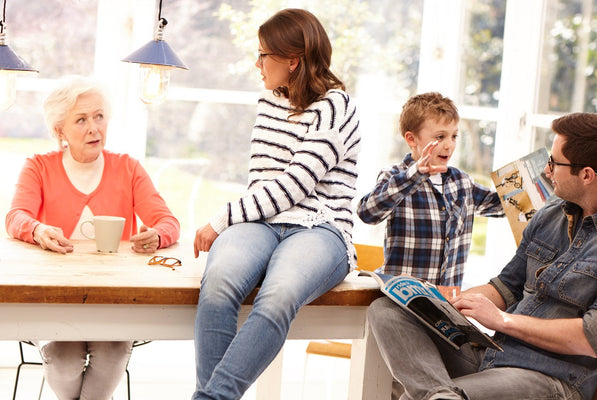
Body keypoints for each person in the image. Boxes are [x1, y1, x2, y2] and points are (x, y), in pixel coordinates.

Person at [367, 112, 597, 400]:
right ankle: (442, 395)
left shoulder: (462, 184)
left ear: (586, 174)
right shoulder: (549, 216)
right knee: (386, 311)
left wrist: (502, 321)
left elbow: (592, 337)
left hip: (549, 377)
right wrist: (446, 302)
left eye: (554, 163)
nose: (547, 171)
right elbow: (506, 287)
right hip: (494, 354)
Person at [191, 8, 360, 400]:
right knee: (216, 286)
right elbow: (263, 183)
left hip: (321, 227)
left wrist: (222, 219)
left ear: (293, 60)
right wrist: (236, 221)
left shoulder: (338, 108)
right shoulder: (269, 104)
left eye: (264, 54)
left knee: (279, 294)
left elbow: (296, 184)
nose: (257, 63)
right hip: (262, 222)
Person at [5, 76, 180, 400]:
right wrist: (38, 230)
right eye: (81, 119)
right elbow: (15, 217)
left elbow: (168, 221)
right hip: (54, 298)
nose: (94, 128)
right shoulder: (38, 168)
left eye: (99, 116)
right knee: (63, 357)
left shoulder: (127, 168)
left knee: (113, 351)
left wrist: (158, 235)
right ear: (60, 131)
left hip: (113, 299)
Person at [356, 92, 504, 287]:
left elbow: (504, 205)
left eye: (454, 136)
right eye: (440, 136)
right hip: (401, 296)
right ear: (411, 139)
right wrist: (414, 175)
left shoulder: (462, 182)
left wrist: (538, 186)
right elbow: (367, 213)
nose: (449, 145)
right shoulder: (395, 176)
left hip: (445, 301)